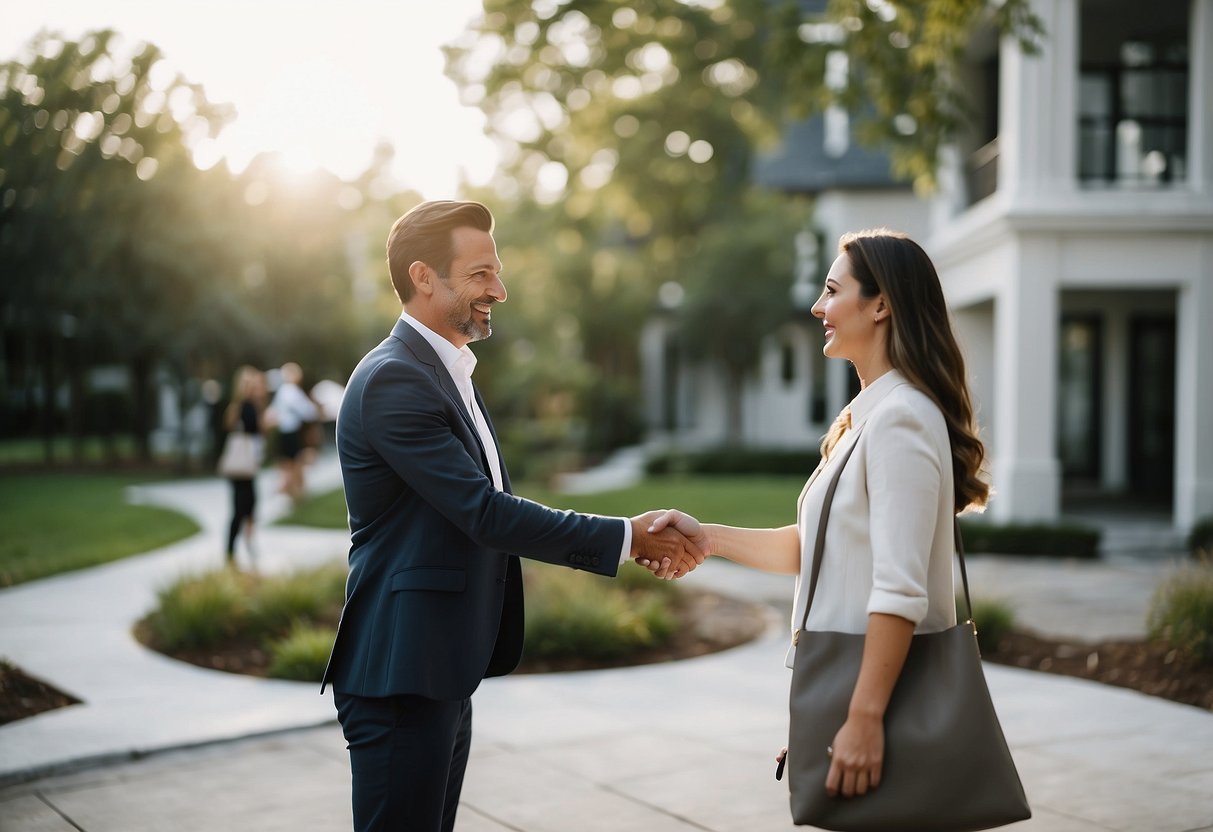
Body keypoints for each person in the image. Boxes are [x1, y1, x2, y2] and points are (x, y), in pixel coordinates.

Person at [320, 199, 703, 832]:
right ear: (423, 277)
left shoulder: (446, 373)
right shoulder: (395, 380)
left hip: (438, 669)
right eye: (479, 275)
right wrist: (626, 538)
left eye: (496, 272)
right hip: (401, 676)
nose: (499, 289)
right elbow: (485, 514)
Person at [647, 228, 989, 806]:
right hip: (841, 679)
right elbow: (817, 546)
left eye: (832, 290)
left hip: (873, 692)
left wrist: (863, 719)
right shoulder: (867, 416)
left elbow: (900, 589)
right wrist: (707, 539)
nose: (817, 307)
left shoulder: (901, 419)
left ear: (881, 305)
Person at [222, 365, 268, 569]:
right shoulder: (241, 407)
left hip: (248, 467)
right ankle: (231, 551)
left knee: (250, 506)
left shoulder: (252, 406)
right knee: (240, 508)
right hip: (240, 467)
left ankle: (248, 546)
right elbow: (245, 429)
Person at [268, 361, 319, 503]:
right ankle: (293, 493)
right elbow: (307, 411)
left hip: (285, 433)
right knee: (294, 465)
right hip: (290, 433)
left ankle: (291, 493)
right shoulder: (290, 390)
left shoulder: (282, 391)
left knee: (288, 464)